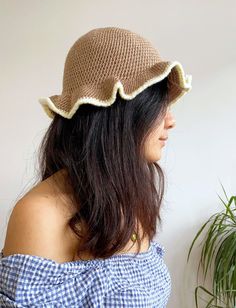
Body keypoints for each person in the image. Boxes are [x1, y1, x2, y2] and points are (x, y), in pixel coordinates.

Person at [0, 26, 192, 307]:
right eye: (158, 105)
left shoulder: (130, 197)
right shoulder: (39, 215)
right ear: (117, 114)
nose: (171, 120)